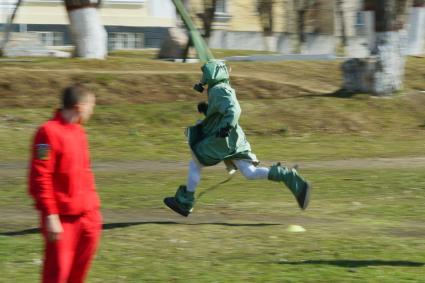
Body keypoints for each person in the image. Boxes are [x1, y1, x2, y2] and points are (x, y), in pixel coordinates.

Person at [164, 60, 311, 217]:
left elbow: (234, 110)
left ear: (211, 74)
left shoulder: (219, 90)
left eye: (205, 74)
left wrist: (225, 128)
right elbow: (223, 112)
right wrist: (208, 110)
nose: (203, 77)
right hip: (235, 141)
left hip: (222, 140)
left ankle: (186, 201)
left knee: (196, 162)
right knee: (250, 173)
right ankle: (287, 176)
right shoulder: (220, 89)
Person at [29, 84, 101, 283]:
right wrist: (50, 215)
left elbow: (86, 173)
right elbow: (40, 176)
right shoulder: (47, 133)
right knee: (57, 275)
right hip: (62, 220)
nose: (92, 110)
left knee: (78, 275)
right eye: (91, 105)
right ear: (79, 106)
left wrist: (94, 214)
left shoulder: (80, 133)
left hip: (88, 217)